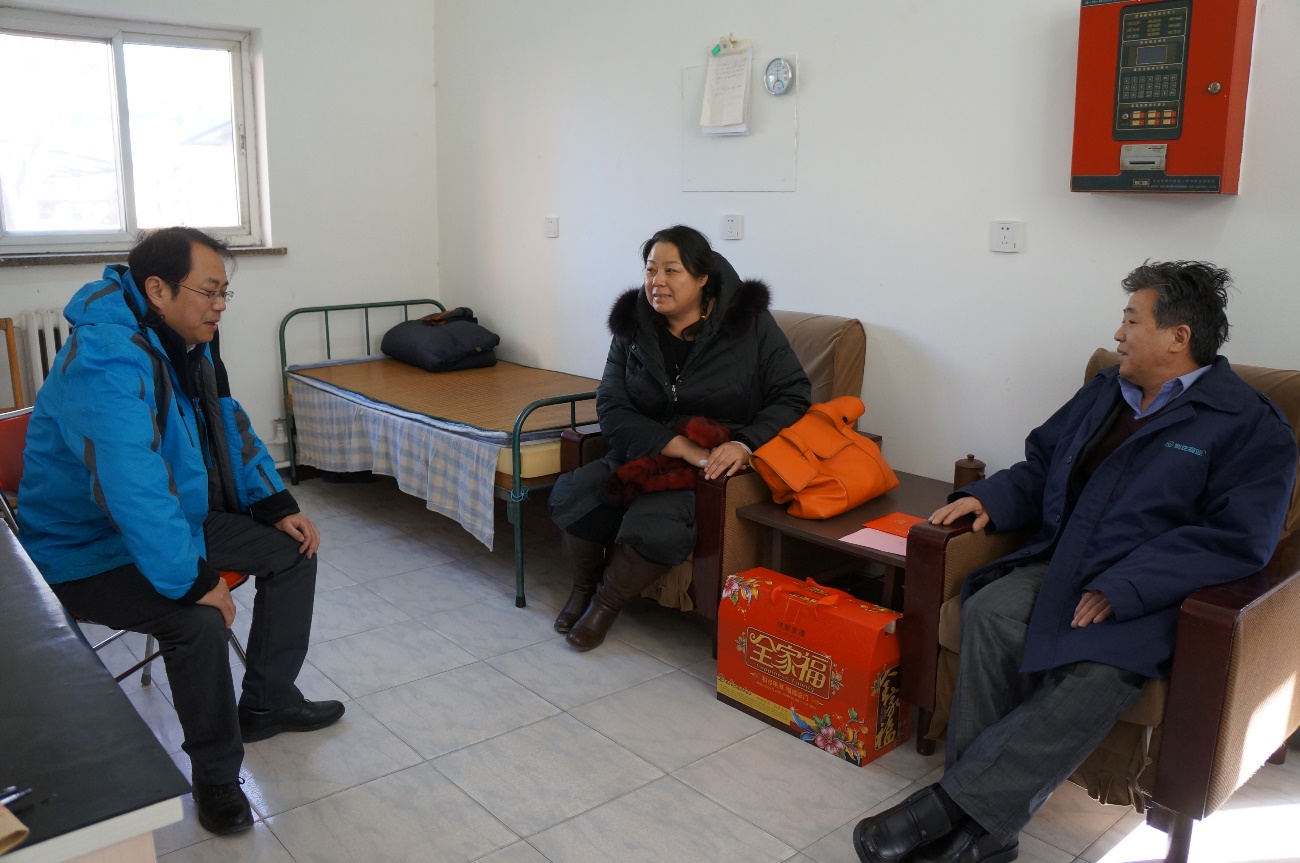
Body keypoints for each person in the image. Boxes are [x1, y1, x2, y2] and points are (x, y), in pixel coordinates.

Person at [853, 261, 1297, 863]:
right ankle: (988, 833)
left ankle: (953, 811)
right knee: (990, 610)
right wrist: (991, 497)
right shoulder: (1105, 391)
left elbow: (1238, 539)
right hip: (1067, 562)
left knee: (1101, 666)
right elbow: (1043, 463)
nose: (1117, 334)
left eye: (1131, 320)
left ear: (1178, 336)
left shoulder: (1250, 425)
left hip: (1161, 593)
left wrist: (1127, 586)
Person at [18, 228, 344, 836]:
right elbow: (131, 485)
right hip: (85, 548)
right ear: (157, 290)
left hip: (168, 521)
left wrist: (273, 501)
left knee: (293, 549)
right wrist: (193, 581)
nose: (220, 305)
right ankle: (216, 776)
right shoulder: (106, 360)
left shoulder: (185, 342)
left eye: (224, 293)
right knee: (196, 621)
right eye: (209, 291)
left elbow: (228, 422)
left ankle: (268, 703)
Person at [548, 225, 811, 650]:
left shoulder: (749, 324)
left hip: (707, 464)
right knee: (577, 493)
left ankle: (604, 605)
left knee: (658, 521)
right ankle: (582, 589)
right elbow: (611, 403)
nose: (658, 281)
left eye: (672, 270)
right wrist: (677, 446)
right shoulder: (633, 325)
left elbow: (794, 393)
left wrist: (745, 443)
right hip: (643, 448)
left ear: (702, 277)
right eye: (651, 270)